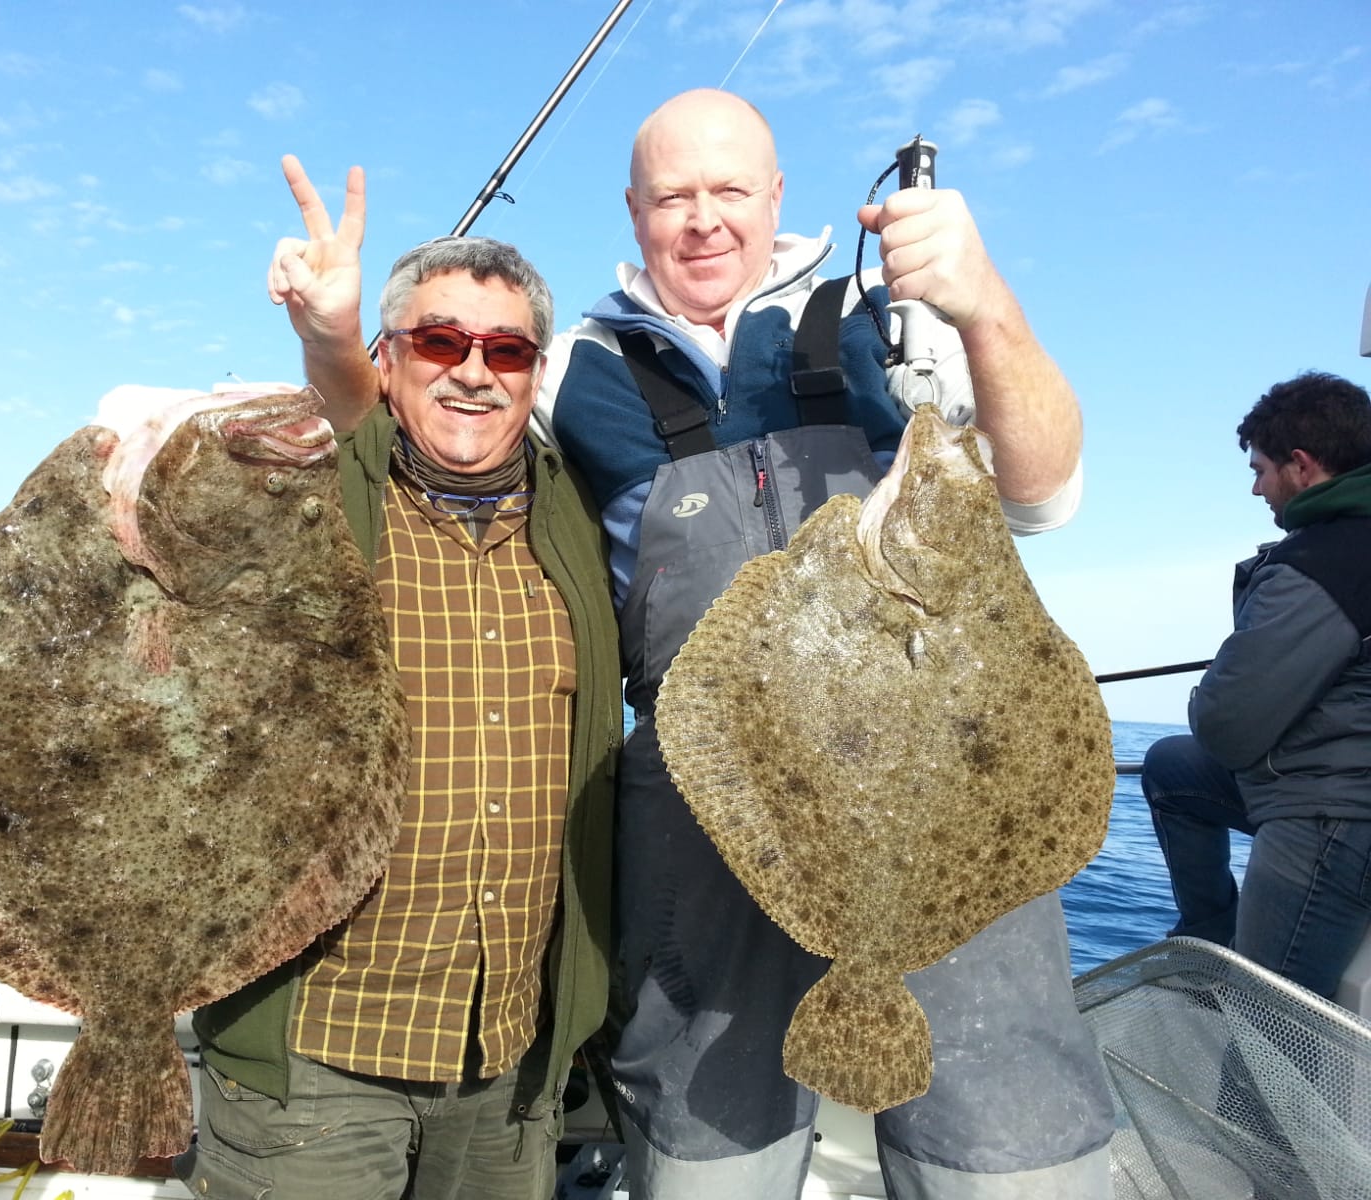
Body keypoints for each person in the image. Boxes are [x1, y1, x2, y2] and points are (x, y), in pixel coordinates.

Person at [270, 88, 1114, 1200]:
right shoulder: (569, 366)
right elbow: (413, 421)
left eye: (728, 190)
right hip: (712, 817)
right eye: (674, 195)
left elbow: (1042, 494)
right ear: (633, 210)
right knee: (705, 1151)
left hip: (940, 797)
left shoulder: (897, 318)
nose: (703, 219)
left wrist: (985, 305)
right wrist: (336, 343)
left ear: (775, 196)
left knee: (1010, 1150)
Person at [177, 236, 623, 1200]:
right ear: (390, 357)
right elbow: (331, 416)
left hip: (507, 1054)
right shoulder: (310, 493)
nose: (472, 371)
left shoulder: (580, 523)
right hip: (315, 1053)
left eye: (505, 351)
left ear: (533, 374)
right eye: (439, 341)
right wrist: (328, 336)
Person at [1140, 371, 1371, 1000]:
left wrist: (1211, 687)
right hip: (1322, 775)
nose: (1255, 487)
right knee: (1171, 768)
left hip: (1336, 811)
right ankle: (1212, 945)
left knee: (1267, 1027)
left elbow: (1227, 723)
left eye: (1260, 469)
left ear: (1301, 467)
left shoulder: (1326, 561)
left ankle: (1246, 1024)